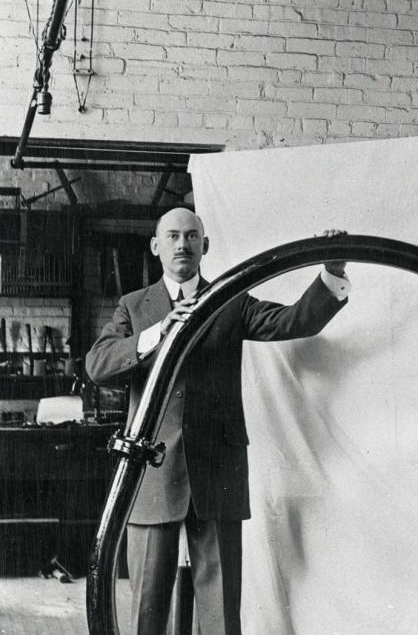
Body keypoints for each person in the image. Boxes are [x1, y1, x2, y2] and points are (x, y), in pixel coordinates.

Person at [85, 207, 350, 635]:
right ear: (156, 246)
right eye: (171, 236)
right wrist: (155, 337)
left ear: (205, 246)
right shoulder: (133, 307)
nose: (181, 244)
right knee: (147, 611)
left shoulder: (230, 301)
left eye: (191, 236)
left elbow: (293, 320)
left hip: (218, 472)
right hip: (152, 475)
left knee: (221, 613)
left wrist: (331, 272)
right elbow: (97, 364)